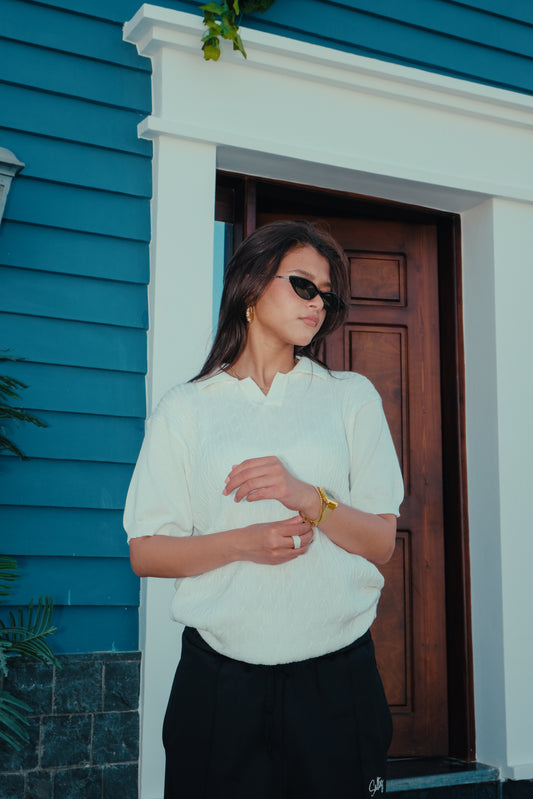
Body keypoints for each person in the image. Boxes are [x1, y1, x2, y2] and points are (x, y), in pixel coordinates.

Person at [123, 220, 404, 799]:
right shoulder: (187, 409)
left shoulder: (350, 397)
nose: (319, 304)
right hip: (219, 683)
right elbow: (146, 551)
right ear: (251, 286)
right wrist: (243, 545)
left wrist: (309, 497)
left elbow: (380, 542)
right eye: (305, 285)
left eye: (328, 295)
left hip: (337, 678)